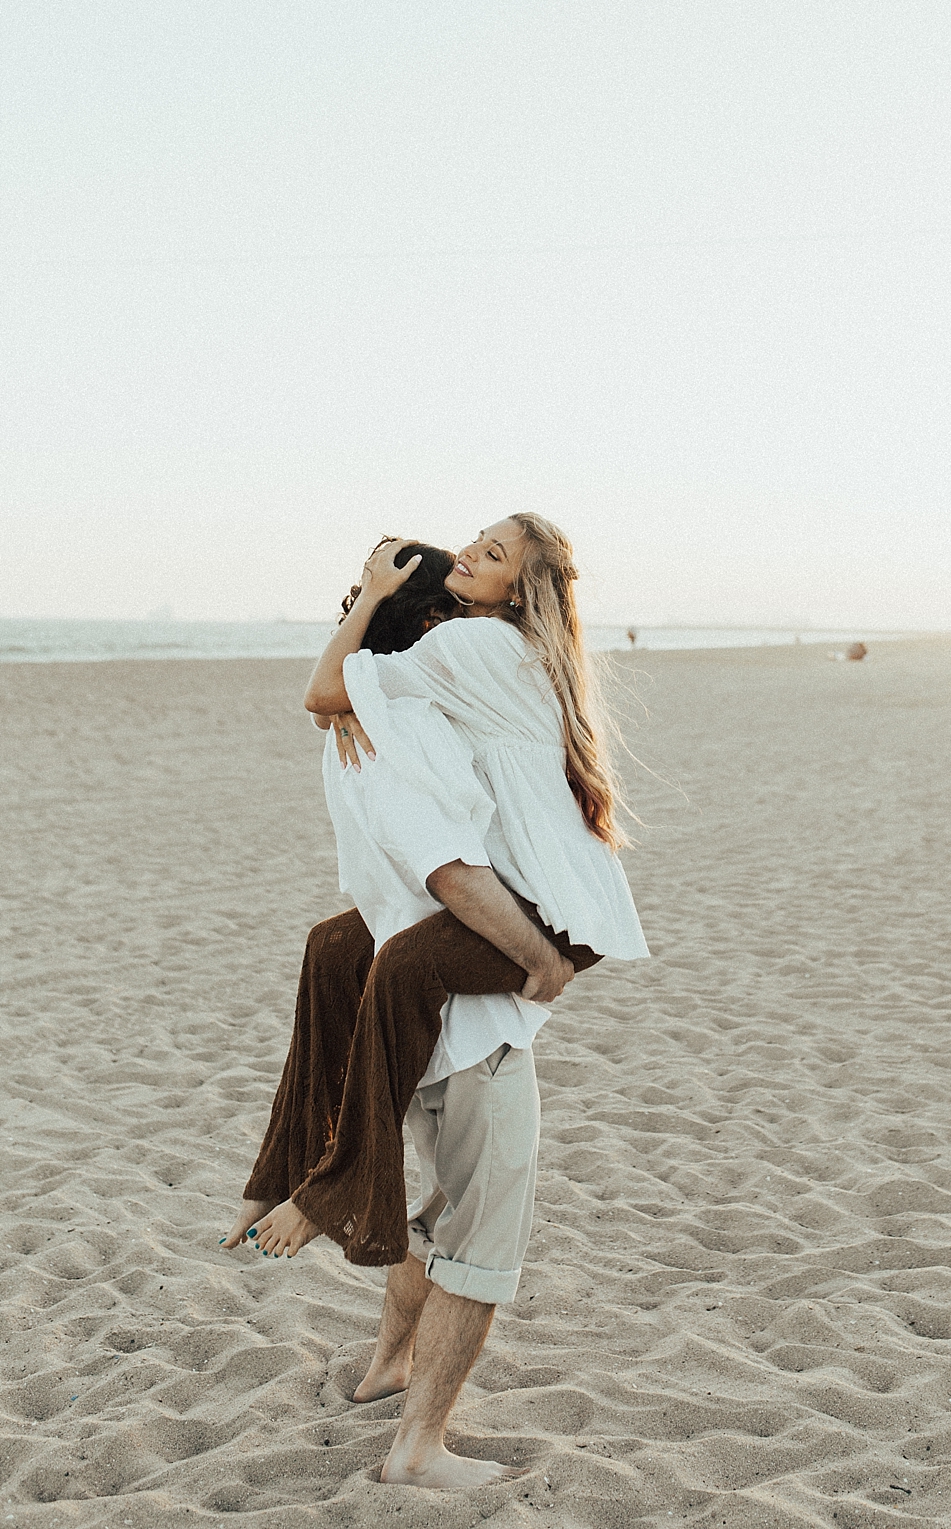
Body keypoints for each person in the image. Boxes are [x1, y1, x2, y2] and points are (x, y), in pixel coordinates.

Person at [224, 515, 647, 1489]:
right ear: (429, 633)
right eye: (466, 561)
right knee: (482, 1241)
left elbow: (338, 713)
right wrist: (542, 954)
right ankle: (417, 1447)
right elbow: (453, 873)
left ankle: (389, 1359)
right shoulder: (428, 700)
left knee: (445, 1203)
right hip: (474, 1031)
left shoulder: (354, 736)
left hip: (416, 1030)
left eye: (490, 552)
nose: (472, 561)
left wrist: (371, 605)